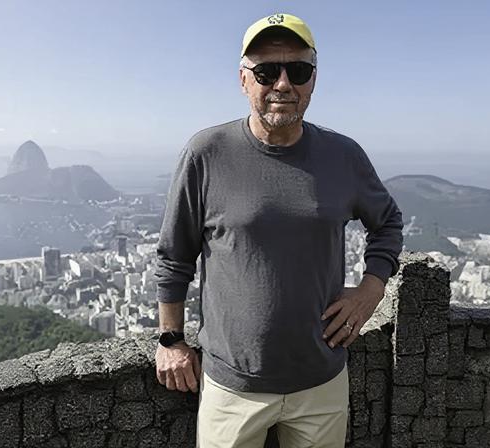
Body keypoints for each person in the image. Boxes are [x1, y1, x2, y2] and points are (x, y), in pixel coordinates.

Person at [153, 12, 404, 448]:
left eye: (299, 70)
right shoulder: (205, 153)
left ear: (314, 79)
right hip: (232, 386)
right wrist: (172, 339)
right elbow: (175, 255)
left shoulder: (343, 156)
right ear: (244, 80)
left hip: (321, 380)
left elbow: (388, 223)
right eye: (267, 71)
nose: (283, 84)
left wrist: (371, 290)